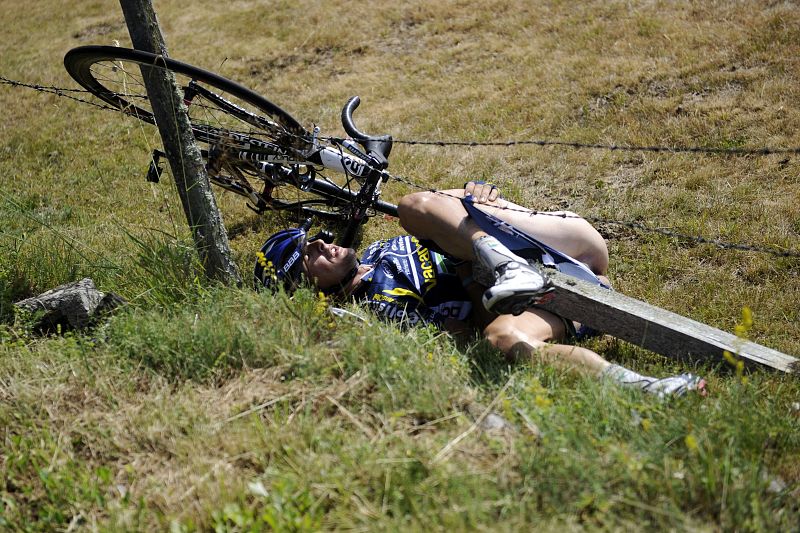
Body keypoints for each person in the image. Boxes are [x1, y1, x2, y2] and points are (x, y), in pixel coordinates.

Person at [255, 182, 706, 398]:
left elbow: (445, 205)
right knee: (502, 340)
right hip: (556, 297)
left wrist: (479, 198)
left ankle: (508, 264)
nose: (322, 242)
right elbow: (470, 335)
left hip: (565, 244)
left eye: (314, 236)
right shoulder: (378, 313)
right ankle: (649, 389)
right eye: (308, 253)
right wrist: (469, 274)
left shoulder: (382, 243)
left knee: (416, 205)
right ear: (308, 288)